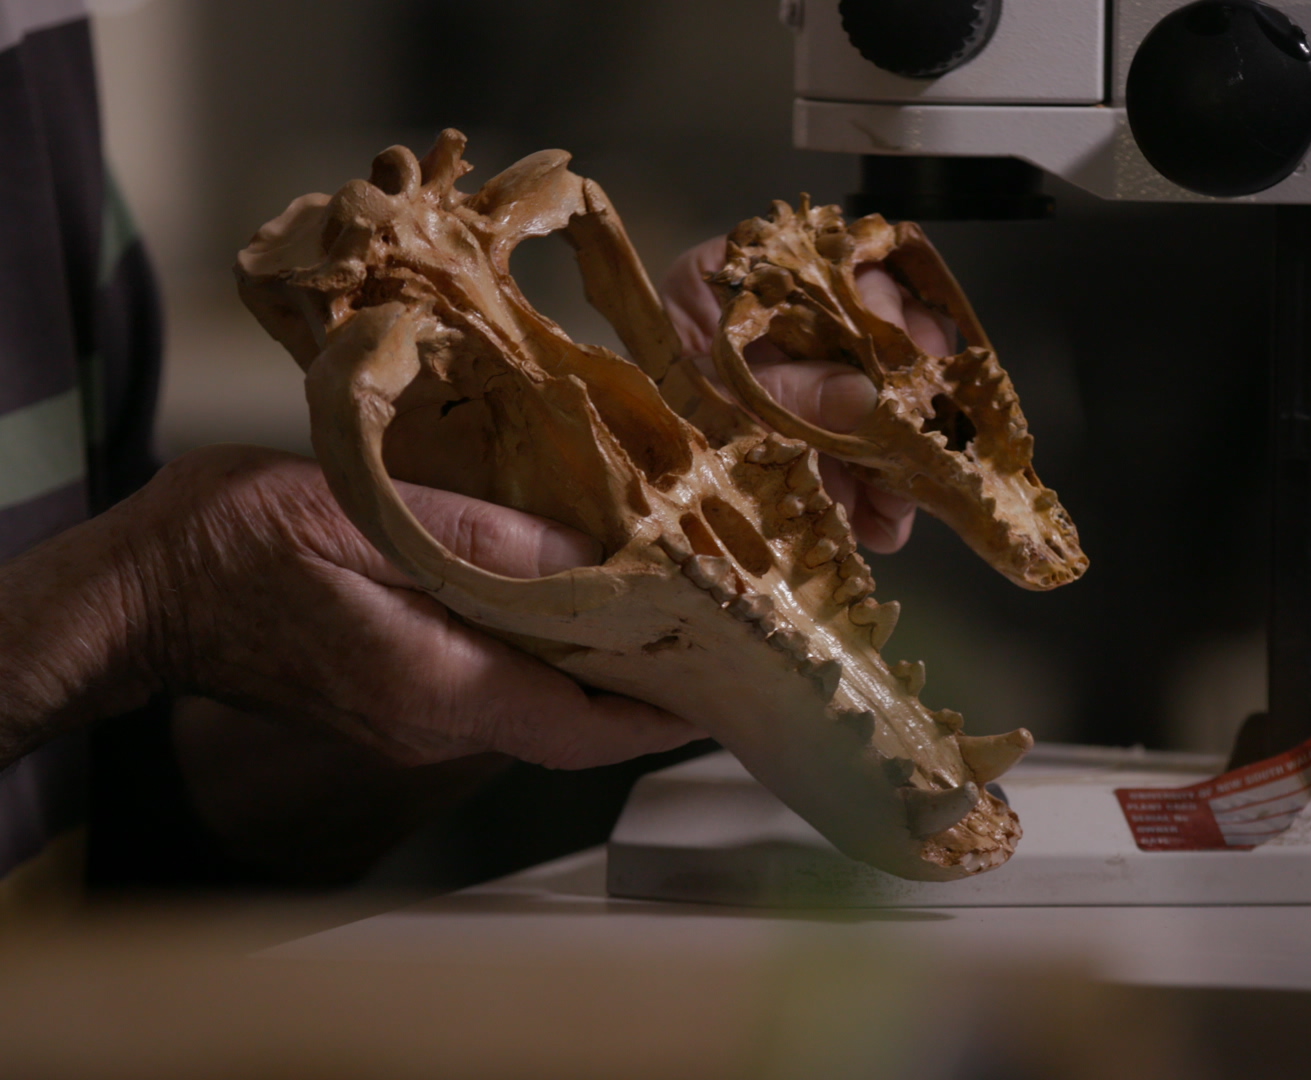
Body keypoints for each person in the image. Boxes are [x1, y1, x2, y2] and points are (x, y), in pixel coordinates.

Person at [0, 3, 942, 899]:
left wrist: (529, 606)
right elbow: (103, 650)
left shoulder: (38, 61)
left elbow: (101, 819)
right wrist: (129, 605)